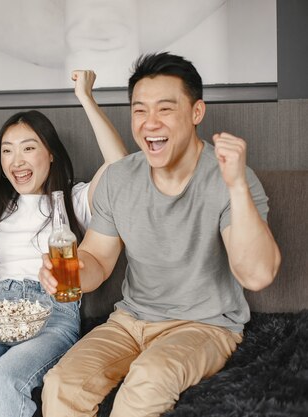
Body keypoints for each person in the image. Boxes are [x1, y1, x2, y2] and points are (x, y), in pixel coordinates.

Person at [38, 52, 282, 417]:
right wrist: (67, 273)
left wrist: (237, 189)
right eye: (139, 110)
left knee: (147, 381)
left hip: (204, 326)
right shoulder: (120, 178)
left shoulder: (230, 177)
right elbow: (98, 261)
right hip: (129, 321)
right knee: (60, 386)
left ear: (196, 112)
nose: (150, 123)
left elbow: (257, 275)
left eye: (165, 109)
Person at [0, 70, 128, 417]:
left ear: (51, 155)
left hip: (52, 313)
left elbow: (121, 167)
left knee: (3, 381)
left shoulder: (76, 200)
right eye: (7, 151)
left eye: (28, 148)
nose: (16, 160)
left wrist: (86, 98)